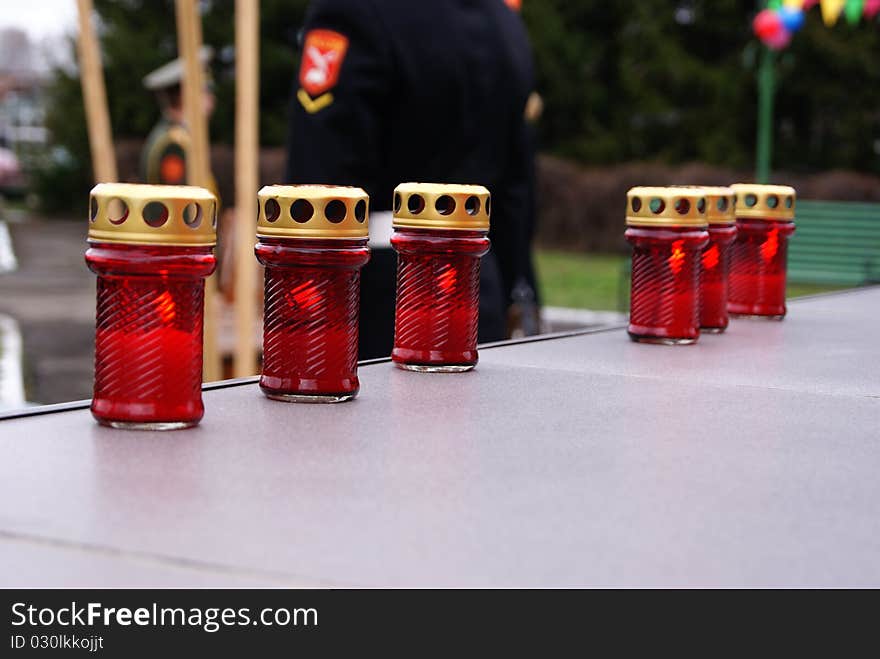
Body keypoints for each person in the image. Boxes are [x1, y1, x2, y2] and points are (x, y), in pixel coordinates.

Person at [285, 0, 541, 359]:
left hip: (378, 294)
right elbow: (516, 190)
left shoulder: (354, 10)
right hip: (479, 287)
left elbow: (319, 180)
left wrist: (303, 306)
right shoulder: (505, 24)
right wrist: (517, 285)